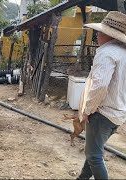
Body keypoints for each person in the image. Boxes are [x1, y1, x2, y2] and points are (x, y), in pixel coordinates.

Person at [77, 11, 126, 179]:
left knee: (94, 156)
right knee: (94, 150)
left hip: (103, 113)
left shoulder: (107, 53)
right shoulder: (123, 52)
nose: (97, 34)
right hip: (118, 114)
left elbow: (100, 86)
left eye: (100, 31)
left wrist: (87, 110)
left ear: (109, 34)